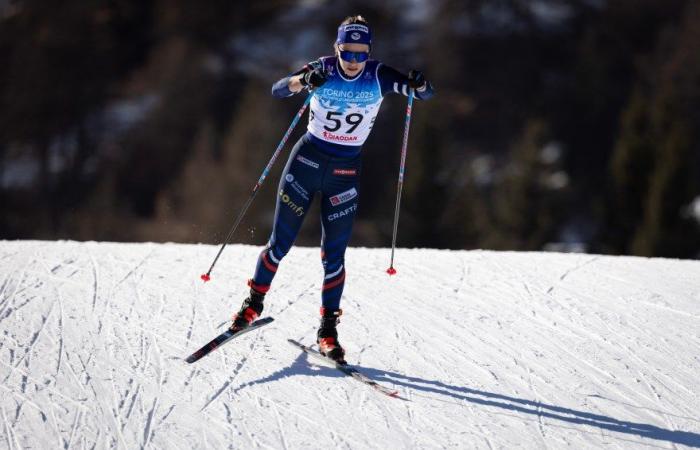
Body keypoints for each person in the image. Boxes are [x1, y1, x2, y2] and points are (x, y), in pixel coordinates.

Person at [230, 15, 434, 363]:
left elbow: (425, 94)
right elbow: (279, 88)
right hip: (306, 163)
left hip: (345, 172)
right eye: (347, 52)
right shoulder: (323, 69)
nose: (353, 61)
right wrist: (302, 81)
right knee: (280, 244)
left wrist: (419, 83)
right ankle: (252, 306)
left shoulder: (380, 74)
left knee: (334, 257)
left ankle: (327, 332)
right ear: (336, 48)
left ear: (368, 51)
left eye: (360, 53)